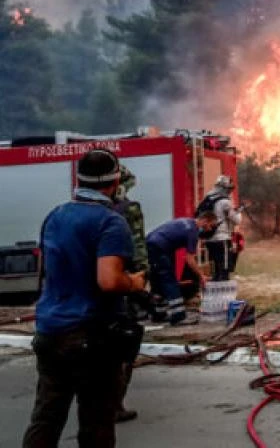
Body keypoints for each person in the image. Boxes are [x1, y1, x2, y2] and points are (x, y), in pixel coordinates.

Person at [23, 149, 146, 448]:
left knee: (46, 418)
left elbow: (48, 271)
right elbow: (109, 280)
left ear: (78, 180)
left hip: (50, 331)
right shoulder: (110, 222)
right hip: (91, 336)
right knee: (96, 423)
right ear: (115, 182)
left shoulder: (55, 216)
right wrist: (134, 282)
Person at [109, 165, 149, 424]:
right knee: (126, 343)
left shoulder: (81, 210)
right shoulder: (129, 209)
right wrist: (143, 281)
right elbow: (138, 247)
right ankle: (115, 405)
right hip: (123, 285)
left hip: (94, 289)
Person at [147, 215, 216, 325]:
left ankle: (158, 313)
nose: (210, 229)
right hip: (160, 247)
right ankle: (178, 316)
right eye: (211, 226)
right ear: (205, 221)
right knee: (169, 279)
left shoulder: (187, 221)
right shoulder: (193, 231)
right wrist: (201, 275)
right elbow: (190, 259)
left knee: (158, 279)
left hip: (152, 242)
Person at [200, 175, 241, 281]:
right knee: (224, 270)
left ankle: (215, 288)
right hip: (222, 239)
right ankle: (223, 290)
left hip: (209, 239)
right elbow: (237, 220)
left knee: (216, 270)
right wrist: (238, 211)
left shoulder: (207, 198)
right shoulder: (225, 202)